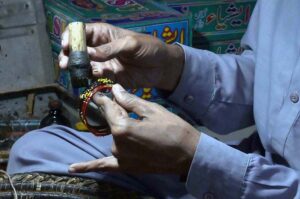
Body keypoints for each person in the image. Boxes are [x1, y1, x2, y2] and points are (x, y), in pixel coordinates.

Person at [7, 0, 300, 198]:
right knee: (35, 150)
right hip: (253, 160)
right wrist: (172, 66)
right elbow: (265, 74)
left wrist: (198, 159)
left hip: (272, 187)